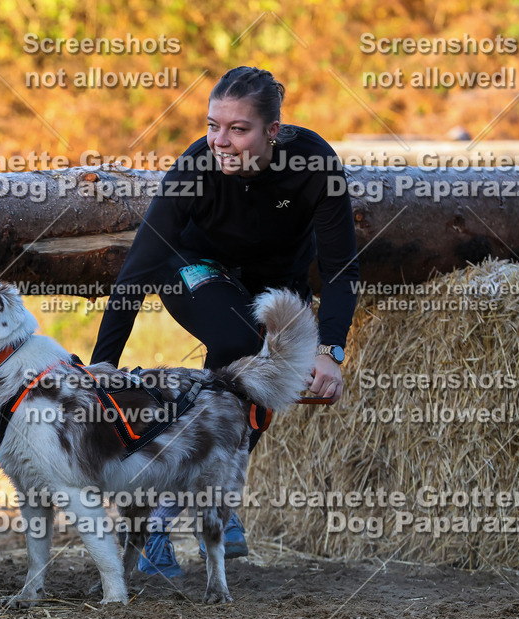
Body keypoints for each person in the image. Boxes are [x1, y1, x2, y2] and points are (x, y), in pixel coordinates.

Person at [89, 66, 359, 577]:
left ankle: (184, 508)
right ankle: (180, 511)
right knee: (239, 341)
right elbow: (138, 269)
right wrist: (103, 363)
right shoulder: (196, 166)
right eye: (213, 126)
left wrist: (331, 350)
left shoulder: (314, 164)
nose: (220, 141)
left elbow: (341, 267)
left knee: (261, 376)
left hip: (275, 281)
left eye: (238, 129)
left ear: (272, 131)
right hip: (195, 267)